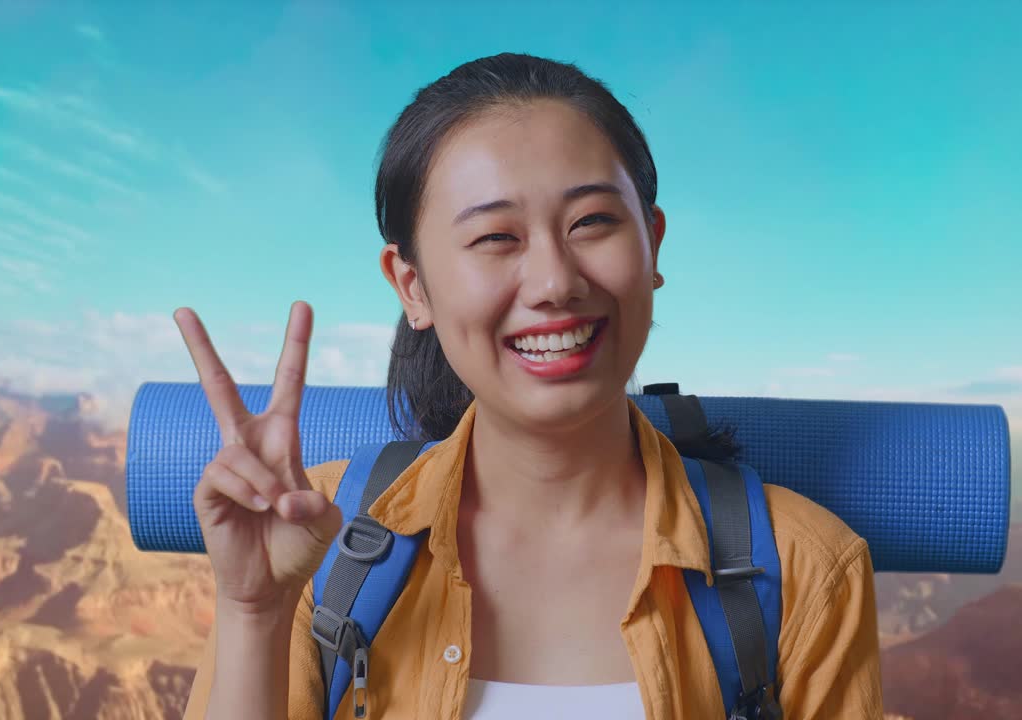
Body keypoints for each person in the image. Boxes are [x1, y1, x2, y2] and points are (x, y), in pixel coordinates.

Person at [178, 52, 883, 720]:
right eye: (495, 238)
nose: (555, 283)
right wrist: (254, 614)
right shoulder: (316, 545)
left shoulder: (805, 568)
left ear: (654, 244)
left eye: (593, 222)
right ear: (412, 286)